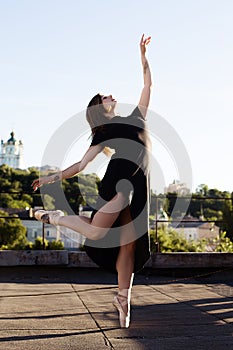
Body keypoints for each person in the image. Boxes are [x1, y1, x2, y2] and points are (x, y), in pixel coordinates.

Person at [32, 34, 152, 328]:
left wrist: (142, 56)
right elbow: (81, 165)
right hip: (120, 185)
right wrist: (51, 178)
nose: (111, 96)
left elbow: (148, 85)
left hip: (139, 188)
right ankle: (58, 217)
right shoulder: (102, 133)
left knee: (128, 246)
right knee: (99, 235)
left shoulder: (136, 118)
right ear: (100, 108)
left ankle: (123, 299)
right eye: (105, 97)